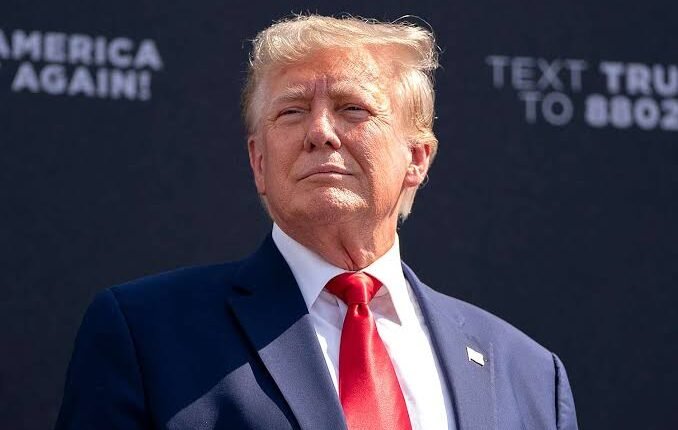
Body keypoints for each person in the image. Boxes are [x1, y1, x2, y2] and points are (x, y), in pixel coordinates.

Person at [56, 15, 578, 430]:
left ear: (417, 158)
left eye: (353, 109)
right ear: (259, 161)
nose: (320, 131)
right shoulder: (146, 334)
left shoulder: (529, 374)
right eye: (292, 111)